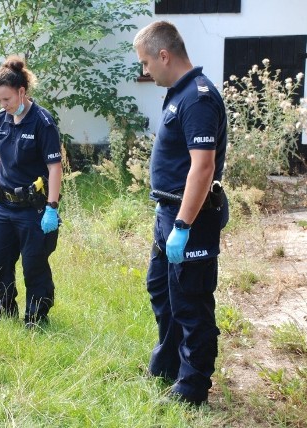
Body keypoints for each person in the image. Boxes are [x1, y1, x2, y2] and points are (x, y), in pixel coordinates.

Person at [133, 21, 229, 406]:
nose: (144, 71)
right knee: (161, 289)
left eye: (145, 63)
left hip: (190, 219)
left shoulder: (198, 98)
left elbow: (202, 167)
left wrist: (184, 225)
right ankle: (168, 363)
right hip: (168, 215)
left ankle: (192, 388)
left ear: (164, 55)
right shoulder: (179, 94)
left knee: (192, 303)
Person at [0, 55, 62, 329]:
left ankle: (36, 318)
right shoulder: (2, 119)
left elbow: (55, 168)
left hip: (33, 209)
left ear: (22, 92)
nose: (2, 105)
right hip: (3, 206)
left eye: (7, 100)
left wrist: (52, 207)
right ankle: (4, 312)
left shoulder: (42, 122)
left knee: (34, 266)